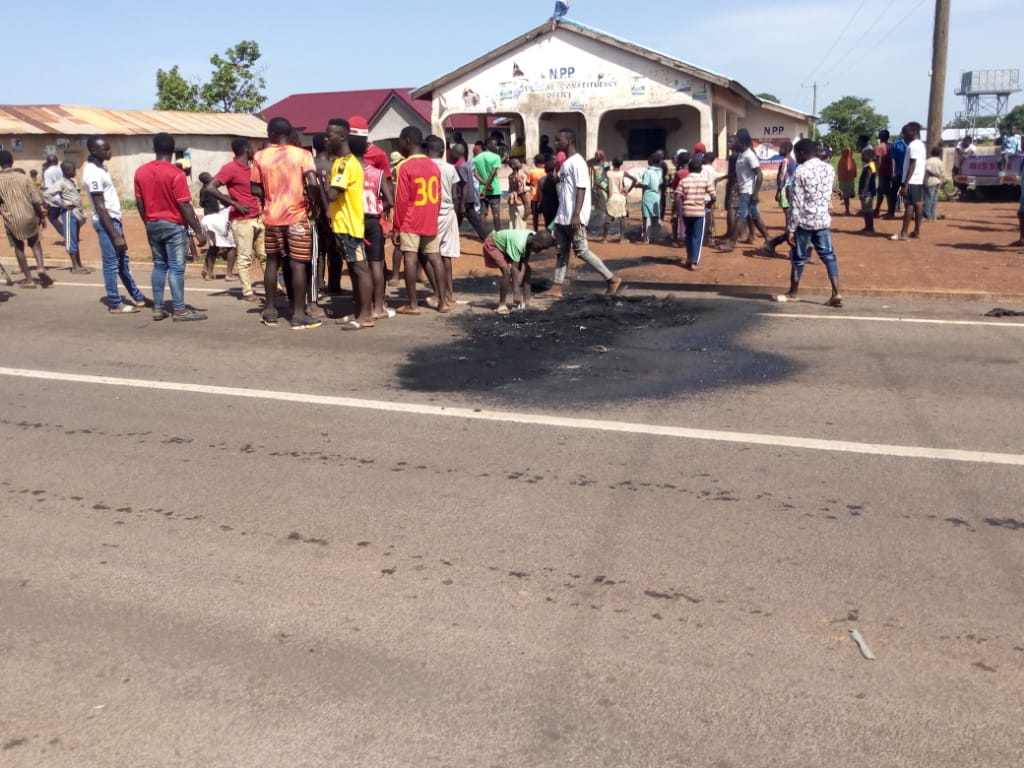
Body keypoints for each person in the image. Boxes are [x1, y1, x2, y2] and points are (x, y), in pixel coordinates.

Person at [250, 116, 323, 329]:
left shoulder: (260, 156)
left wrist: (268, 199)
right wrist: (315, 206)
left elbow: (254, 188)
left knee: (273, 262)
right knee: (298, 263)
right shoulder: (302, 154)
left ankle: (270, 310)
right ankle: (298, 314)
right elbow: (312, 182)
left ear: (271, 133)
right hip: (297, 217)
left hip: (272, 217)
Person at [134, 132, 208, 321]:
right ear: (173, 149)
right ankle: (180, 310)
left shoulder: (140, 172)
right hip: (173, 225)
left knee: (159, 265)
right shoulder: (176, 174)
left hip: (152, 223)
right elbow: (184, 205)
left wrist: (147, 221)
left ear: (154, 149)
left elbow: (139, 202)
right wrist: (199, 232)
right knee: (176, 267)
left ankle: (158, 307)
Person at [540, 128, 621, 298]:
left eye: (558, 140)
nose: (555, 143)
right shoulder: (567, 163)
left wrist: (576, 214)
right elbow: (559, 182)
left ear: (568, 141)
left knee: (582, 250)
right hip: (563, 216)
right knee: (561, 251)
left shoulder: (577, 162)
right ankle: (556, 286)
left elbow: (581, 188)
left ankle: (611, 278)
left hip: (574, 215)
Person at [82, 136, 149, 312]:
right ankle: (114, 302)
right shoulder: (93, 173)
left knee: (122, 262)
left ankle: (137, 296)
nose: (109, 151)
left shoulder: (101, 168)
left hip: (113, 220)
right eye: (105, 149)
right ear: (94, 151)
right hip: (107, 223)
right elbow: (100, 206)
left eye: (109, 148)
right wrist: (115, 234)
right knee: (111, 263)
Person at [775, 138, 842, 307]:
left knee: (798, 257)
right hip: (823, 220)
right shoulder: (829, 169)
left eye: (797, 153)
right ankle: (836, 292)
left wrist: (790, 228)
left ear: (803, 153)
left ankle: (794, 292)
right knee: (828, 256)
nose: (795, 157)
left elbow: (796, 204)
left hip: (804, 222)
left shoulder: (800, 171)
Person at [392, 125, 446, 314]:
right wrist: (433, 216)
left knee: (410, 258)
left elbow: (401, 200)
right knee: (435, 258)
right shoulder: (433, 165)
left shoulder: (404, 166)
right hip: (430, 218)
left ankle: (413, 304)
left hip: (410, 220)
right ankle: (443, 301)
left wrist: (397, 226)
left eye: (400, 140)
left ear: (407, 141)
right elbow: (439, 196)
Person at [324, 117, 373, 330]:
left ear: (342, 136)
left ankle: (366, 315)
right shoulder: (343, 162)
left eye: (330, 135)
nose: (327, 139)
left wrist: (322, 181)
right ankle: (359, 311)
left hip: (349, 225)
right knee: (353, 269)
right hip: (343, 224)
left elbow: (333, 194)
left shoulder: (344, 165)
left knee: (360, 268)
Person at [206, 138, 265, 304]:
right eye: (253, 147)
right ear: (246, 149)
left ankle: (274, 288)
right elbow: (210, 187)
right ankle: (247, 292)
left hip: (258, 217)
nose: (256, 149)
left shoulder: (252, 168)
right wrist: (234, 203)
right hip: (242, 220)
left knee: (264, 255)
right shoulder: (230, 168)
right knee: (245, 257)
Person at [0, 150, 54, 288]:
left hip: (11, 219)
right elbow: (36, 200)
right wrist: (41, 216)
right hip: (30, 216)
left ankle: (29, 279)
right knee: (35, 243)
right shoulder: (24, 178)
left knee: (19, 247)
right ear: (12, 161)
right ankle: (40, 267)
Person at [481, 228, 555, 313]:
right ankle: (501, 305)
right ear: (535, 240)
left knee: (527, 270)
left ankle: (526, 302)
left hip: (507, 245)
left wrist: (521, 276)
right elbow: (514, 268)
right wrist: (516, 291)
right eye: (540, 247)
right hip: (493, 244)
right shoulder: (519, 243)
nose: (539, 251)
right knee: (507, 272)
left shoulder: (532, 238)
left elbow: (525, 262)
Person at [718, 129, 770, 252]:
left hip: (748, 191)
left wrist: (756, 193)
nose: (733, 143)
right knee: (755, 216)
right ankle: (768, 238)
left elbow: (759, 174)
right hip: (743, 189)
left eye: (736, 141)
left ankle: (732, 243)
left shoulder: (749, 155)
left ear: (742, 142)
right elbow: (742, 174)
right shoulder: (741, 154)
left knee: (740, 215)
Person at [363, 130, 395, 320]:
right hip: (361, 217)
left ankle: (378, 301)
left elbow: (388, 184)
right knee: (364, 263)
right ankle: (367, 302)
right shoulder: (346, 161)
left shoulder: (378, 156)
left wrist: (383, 210)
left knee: (377, 261)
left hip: (374, 215)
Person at [426, 133, 461, 308]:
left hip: (430, 213)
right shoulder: (450, 168)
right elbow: (455, 195)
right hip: (448, 212)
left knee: (431, 255)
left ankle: (437, 292)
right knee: (446, 255)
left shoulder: (424, 167)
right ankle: (449, 293)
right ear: (442, 150)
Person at [45, 161, 91, 273]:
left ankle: (79, 265)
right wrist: (62, 205)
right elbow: (47, 194)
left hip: (77, 213)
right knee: (71, 240)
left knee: (75, 239)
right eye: (72, 170)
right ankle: (75, 267)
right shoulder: (61, 182)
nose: (74, 171)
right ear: (65, 171)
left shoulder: (71, 181)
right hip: (69, 213)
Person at [197, 171, 237, 282]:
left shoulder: (203, 190)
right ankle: (229, 274)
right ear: (208, 178)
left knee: (214, 247)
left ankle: (209, 274)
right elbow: (224, 201)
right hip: (215, 219)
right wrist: (233, 202)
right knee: (232, 246)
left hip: (206, 220)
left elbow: (201, 203)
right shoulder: (212, 188)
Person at [677, 157, 716, 270]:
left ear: (689, 169)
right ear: (700, 169)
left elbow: (677, 195)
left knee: (689, 235)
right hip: (699, 212)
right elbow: (713, 196)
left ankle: (689, 258)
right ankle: (694, 262)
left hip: (686, 212)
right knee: (697, 237)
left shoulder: (684, 181)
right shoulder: (704, 181)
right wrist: (709, 204)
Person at [891, 122, 926, 241]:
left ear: (913, 132)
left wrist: (905, 184)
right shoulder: (921, 145)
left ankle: (904, 233)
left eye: (905, 133)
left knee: (909, 205)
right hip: (918, 179)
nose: (903, 136)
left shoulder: (913, 146)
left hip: (912, 180)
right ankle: (916, 231)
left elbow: (912, 164)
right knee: (918, 204)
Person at [762, 140, 796, 256]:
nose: (779, 150)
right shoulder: (793, 161)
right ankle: (791, 247)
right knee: (790, 221)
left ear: (786, 150)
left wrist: (778, 191)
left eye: (781, 148)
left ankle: (772, 244)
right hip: (790, 191)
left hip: (785, 191)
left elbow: (781, 177)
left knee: (789, 221)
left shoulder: (785, 161)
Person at [453, 143, 487, 240]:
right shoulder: (465, 164)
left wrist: (462, 204)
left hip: (464, 200)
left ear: (456, 153)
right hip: (468, 199)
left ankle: (490, 243)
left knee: (475, 225)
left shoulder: (460, 166)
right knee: (458, 223)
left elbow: (464, 185)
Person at [473, 138, 503, 231]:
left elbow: (475, 174)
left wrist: (485, 185)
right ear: (488, 146)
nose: (497, 147)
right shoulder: (496, 157)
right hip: (494, 190)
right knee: (496, 213)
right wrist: (488, 186)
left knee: (483, 212)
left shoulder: (476, 158)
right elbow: (493, 173)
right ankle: (498, 234)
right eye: (495, 145)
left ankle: (482, 234)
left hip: (482, 189)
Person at [603, 157, 631, 241]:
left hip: (612, 198)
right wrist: (628, 190)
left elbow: (597, 183)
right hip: (621, 198)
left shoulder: (608, 173)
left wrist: (606, 190)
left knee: (608, 218)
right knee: (622, 218)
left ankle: (604, 239)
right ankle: (622, 238)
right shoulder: (623, 173)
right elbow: (634, 180)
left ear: (613, 163)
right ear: (621, 164)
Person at [638, 154, 663, 243]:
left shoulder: (648, 172)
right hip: (656, 195)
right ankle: (656, 236)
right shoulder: (660, 171)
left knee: (646, 216)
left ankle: (646, 237)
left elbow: (645, 184)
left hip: (648, 195)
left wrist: (636, 185)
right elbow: (660, 183)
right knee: (655, 216)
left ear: (650, 161)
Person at [42, 154, 65, 238]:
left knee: (52, 217)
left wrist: (46, 201)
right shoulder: (62, 169)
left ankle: (64, 232)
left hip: (55, 198)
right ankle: (70, 232)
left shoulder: (48, 172)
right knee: (64, 216)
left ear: (47, 162)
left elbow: (48, 188)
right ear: (57, 161)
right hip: (64, 196)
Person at [874, 129, 894, 218]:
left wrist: (876, 171)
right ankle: (879, 209)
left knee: (882, 192)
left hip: (883, 172)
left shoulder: (879, 147)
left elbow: (879, 160)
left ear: (880, 137)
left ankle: (885, 211)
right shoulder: (891, 146)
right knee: (885, 191)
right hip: (891, 172)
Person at [858, 147, 878, 233]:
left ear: (868, 156)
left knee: (868, 211)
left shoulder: (869, 167)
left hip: (868, 192)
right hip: (868, 191)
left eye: (863, 155)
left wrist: (863, 192)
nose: (861, 156)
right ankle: (867, 227)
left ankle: (870, 227)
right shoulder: (871, 165)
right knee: (866, 210)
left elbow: (867, 180)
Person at [923, 146, 946, 221]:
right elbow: (942, 174)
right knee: (934, 199)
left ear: (931, 153)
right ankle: (933, 216)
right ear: (939, 154)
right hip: (938, 181)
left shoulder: (928, 161)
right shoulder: (940, 162)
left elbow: (926, 171)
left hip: (930, 181)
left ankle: (927, 216)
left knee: (928, 198)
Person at [507, 158, 529, 230]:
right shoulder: (519, 177)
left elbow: (510, 189)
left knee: (513, 223)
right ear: (513, 166)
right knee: (520, 223)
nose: (520, 164)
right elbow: (522, 192)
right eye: (518, 162)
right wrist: (527, 206)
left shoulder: (510, 176)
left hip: (512, 201)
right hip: (519, 202)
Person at [538, 156, 559, 228]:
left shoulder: (541, 180)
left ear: (545, 169)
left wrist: (540, 205)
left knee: (547, 224)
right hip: (556, 204)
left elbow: (540, 196)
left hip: (546, 205)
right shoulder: (557, 179)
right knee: (556, 225)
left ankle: (548, 237)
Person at [528, 153, 546, 230]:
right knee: (546, 214)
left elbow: (528, 183)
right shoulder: (546, 170)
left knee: (535, 215)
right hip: (545, 196)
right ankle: (547, 230)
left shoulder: (532, 172)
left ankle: (535, 230)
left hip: (534, 196)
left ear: (535, 162)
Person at [836, 147, 857, 215]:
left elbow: (839, 171)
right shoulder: (852, 160)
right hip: (850, 181)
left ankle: (847, 210)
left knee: (845, 196)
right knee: (847, 196)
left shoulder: (841, 161)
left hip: (843, 181)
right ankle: (847, 210)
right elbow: (854, 171)